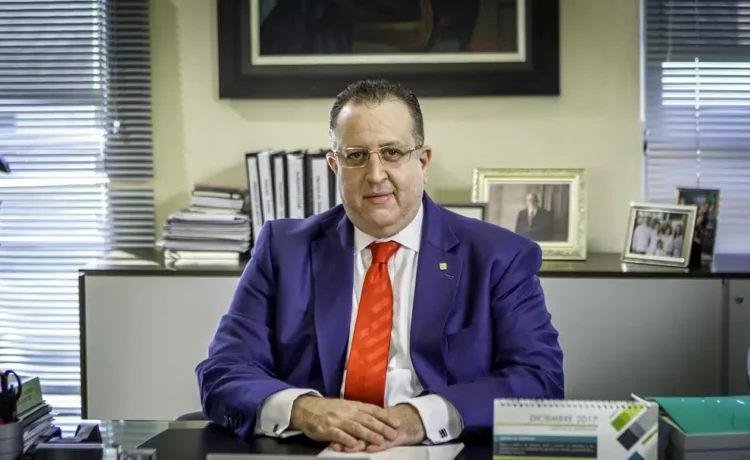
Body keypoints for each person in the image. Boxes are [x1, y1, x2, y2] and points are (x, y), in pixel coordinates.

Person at [196, 79, 564, 454]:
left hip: (443, 446)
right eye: (356, 155)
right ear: (335, 166)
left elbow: (539, 379)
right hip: (313, 447)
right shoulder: (283, 250)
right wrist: (304, 410)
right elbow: (224, 370)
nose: (375, 174)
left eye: (392, 152)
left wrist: (422, 417)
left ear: (422, 162)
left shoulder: (498, 257)